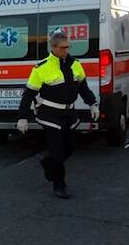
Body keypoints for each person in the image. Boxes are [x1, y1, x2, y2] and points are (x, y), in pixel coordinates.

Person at [16, 32, 99, 199]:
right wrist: (22, 117)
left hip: (69, 113)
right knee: (58, 152)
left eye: (68, 47)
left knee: (70, 147)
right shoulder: (41, 68)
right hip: (50, 115)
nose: (66, 50)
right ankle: (59, 185)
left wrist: (92, 103)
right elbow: (28, 94)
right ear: (53, 48)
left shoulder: (75, 64)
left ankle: (48, 163)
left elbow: (83, 88)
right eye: (62, 48)